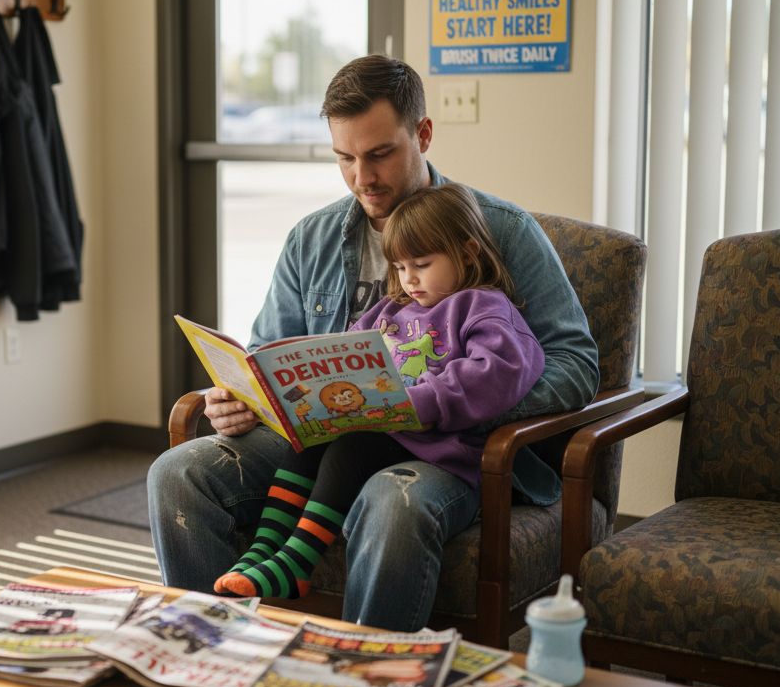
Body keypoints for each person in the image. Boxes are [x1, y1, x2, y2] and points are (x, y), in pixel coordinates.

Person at [148, 54, 598, 632]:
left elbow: (577, 364)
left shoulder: (500, 230)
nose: (363, 177)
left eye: (380, 154)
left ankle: (363, 680)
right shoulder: (311, 238)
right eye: (345, 158)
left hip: (445, 447)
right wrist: (240, 398)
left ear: (424, 135)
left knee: (392, 502)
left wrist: (446, 404)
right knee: (177, 474)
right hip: (329, 436)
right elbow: (267, 355)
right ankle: (214, 660)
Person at [213, 184, 544, 601]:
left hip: (441, 445)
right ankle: (265, 550)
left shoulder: (484, 307)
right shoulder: (391, 309)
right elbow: (350, 350)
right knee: (310, 442)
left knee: (353, 448)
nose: (409, 279)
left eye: (422, 264)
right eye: (400, 267)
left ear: (467, 252)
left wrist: (417, 401)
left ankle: (296, 561)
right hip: (385, 429)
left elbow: (499, 373)